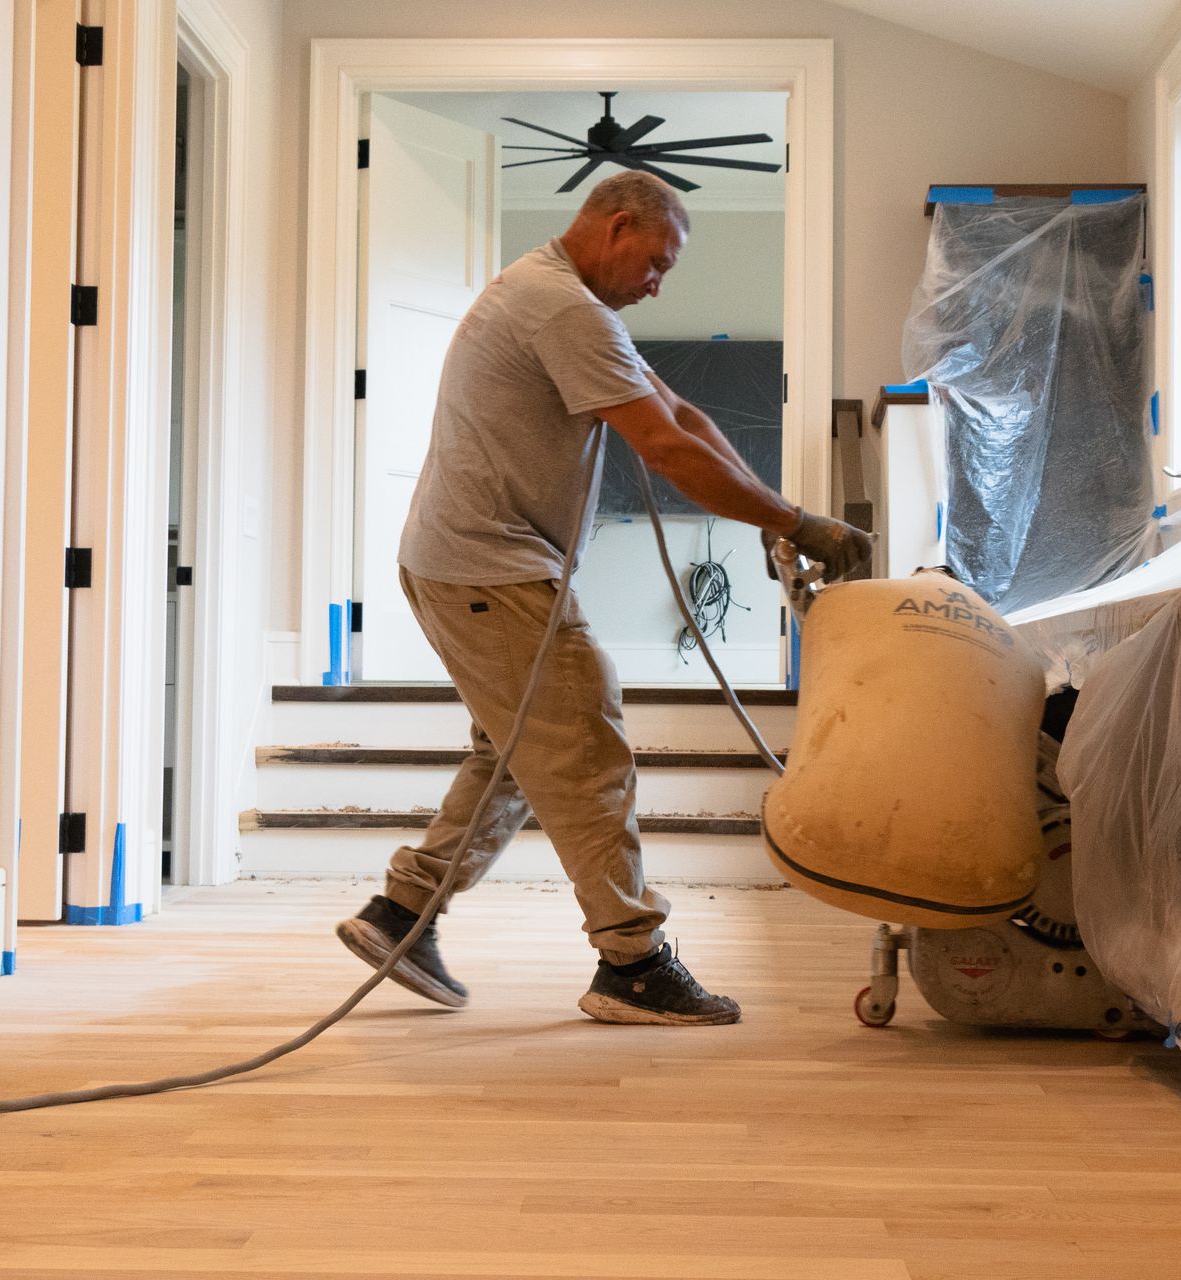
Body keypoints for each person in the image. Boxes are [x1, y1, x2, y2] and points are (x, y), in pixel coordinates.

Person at [336, 171, 871, 1025]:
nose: (659, 283)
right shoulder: (562, 308)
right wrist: (799, 525)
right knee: (587, 747)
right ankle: (632, 960)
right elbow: (663, 450)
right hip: (490, 567)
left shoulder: (568, 304)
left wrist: (785, 519)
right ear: (616, 227)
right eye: (656, 262)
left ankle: (402, 913)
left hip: (467, 563)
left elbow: (683, 417)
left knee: (515, 750)